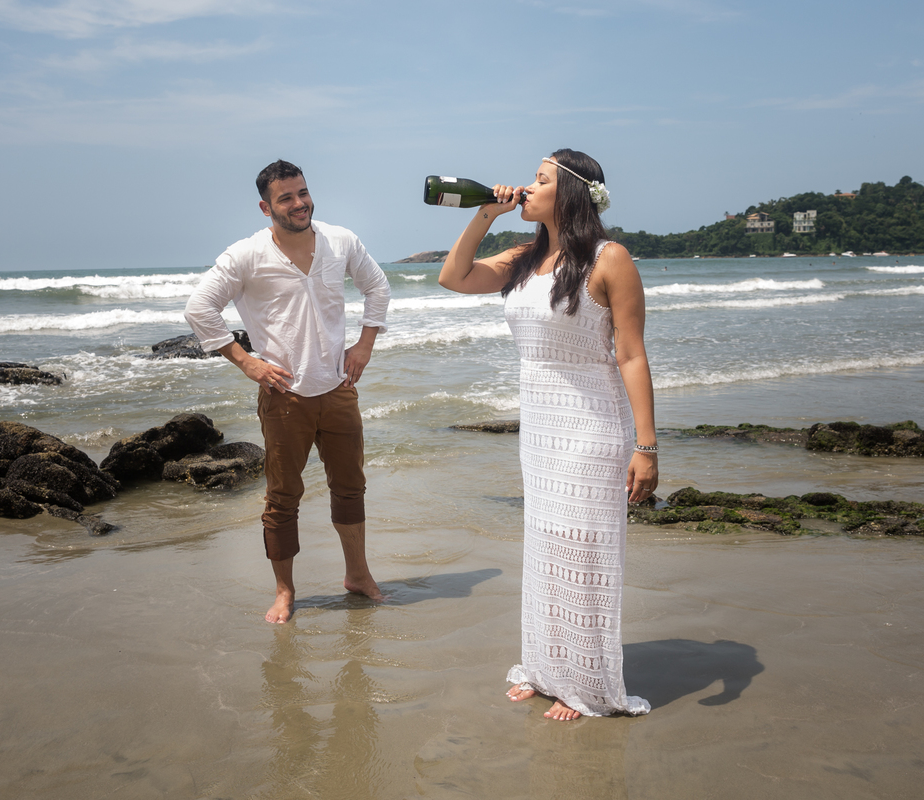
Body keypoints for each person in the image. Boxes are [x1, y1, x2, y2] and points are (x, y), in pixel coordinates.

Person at [438, 149, 656, 720]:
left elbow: (631, 355)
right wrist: (485, 213)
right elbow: (453, 277)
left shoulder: (610, 259)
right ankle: (546, 667)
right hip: (541, 430)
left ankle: (583, 682)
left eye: (541, 180)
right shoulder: (524, 257)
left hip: (592, 428)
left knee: (582, 555)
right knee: (547, 550)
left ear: (572, 194)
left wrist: (646, 446)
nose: (527, 188)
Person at [185, 160, 391, 624]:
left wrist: (364, 345)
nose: (300, 203)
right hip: (284, 395)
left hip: (338, 388)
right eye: (286, 198)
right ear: (266, 207)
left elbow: (377, 287)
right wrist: (247, 361)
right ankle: (284, 591)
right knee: (282, 497)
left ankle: (358, 575)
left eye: (303, 193)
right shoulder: (246, 255)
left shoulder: (341, 241)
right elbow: (199, 308)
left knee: (351, 488)